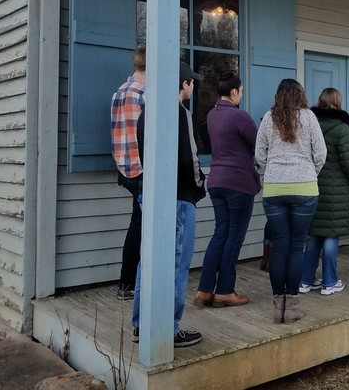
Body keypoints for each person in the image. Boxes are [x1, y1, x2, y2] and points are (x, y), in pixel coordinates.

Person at [132, 61, 206, 348]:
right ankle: (170, 327)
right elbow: (191, 158)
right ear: (184, 84)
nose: (193, 86)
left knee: (147, 261)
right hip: (179, 198)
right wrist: (199, 187)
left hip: (150, 195)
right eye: (191, 82)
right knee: (177, 263)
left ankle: (141, 323)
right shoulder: (179, 113)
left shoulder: (146, 112)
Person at [256, 79, 326, 323]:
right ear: (300, 95)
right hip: (304, 188)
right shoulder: (308, 117)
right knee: (297, 246)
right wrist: (308, 173)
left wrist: (273, 169)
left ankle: (278, 307)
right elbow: (320, 154)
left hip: (274, 189)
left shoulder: (268, 117)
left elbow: (259, 155)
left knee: (279, 246)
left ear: (278, 96)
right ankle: (293, 306)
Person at [194, 71, 260, 309]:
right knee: (234, 235)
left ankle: (204, 290)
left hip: (217, 180)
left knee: (220, 233)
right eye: (240, 91)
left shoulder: (212, 115)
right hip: (238, 182)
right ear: (234, 92)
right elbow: (258, 144)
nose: (241, 95)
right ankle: (224, 291)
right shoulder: (239, 116)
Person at [299, 88, 349, 296]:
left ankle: (305, 280)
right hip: (337, 189)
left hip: (311, 184)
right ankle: (329, 282)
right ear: (338, 102)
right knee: (331, 234)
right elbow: (348, 161)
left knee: (315, 234)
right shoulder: (342, 129)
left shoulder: (308, 125)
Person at [110, 45, 146, 300]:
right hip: (142, 167)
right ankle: (129, 283)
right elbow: (145, 135)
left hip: (124, 165)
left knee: (138, 223)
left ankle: (127, 282)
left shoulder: (119, 92)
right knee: (142, 226)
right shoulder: (143, 93)